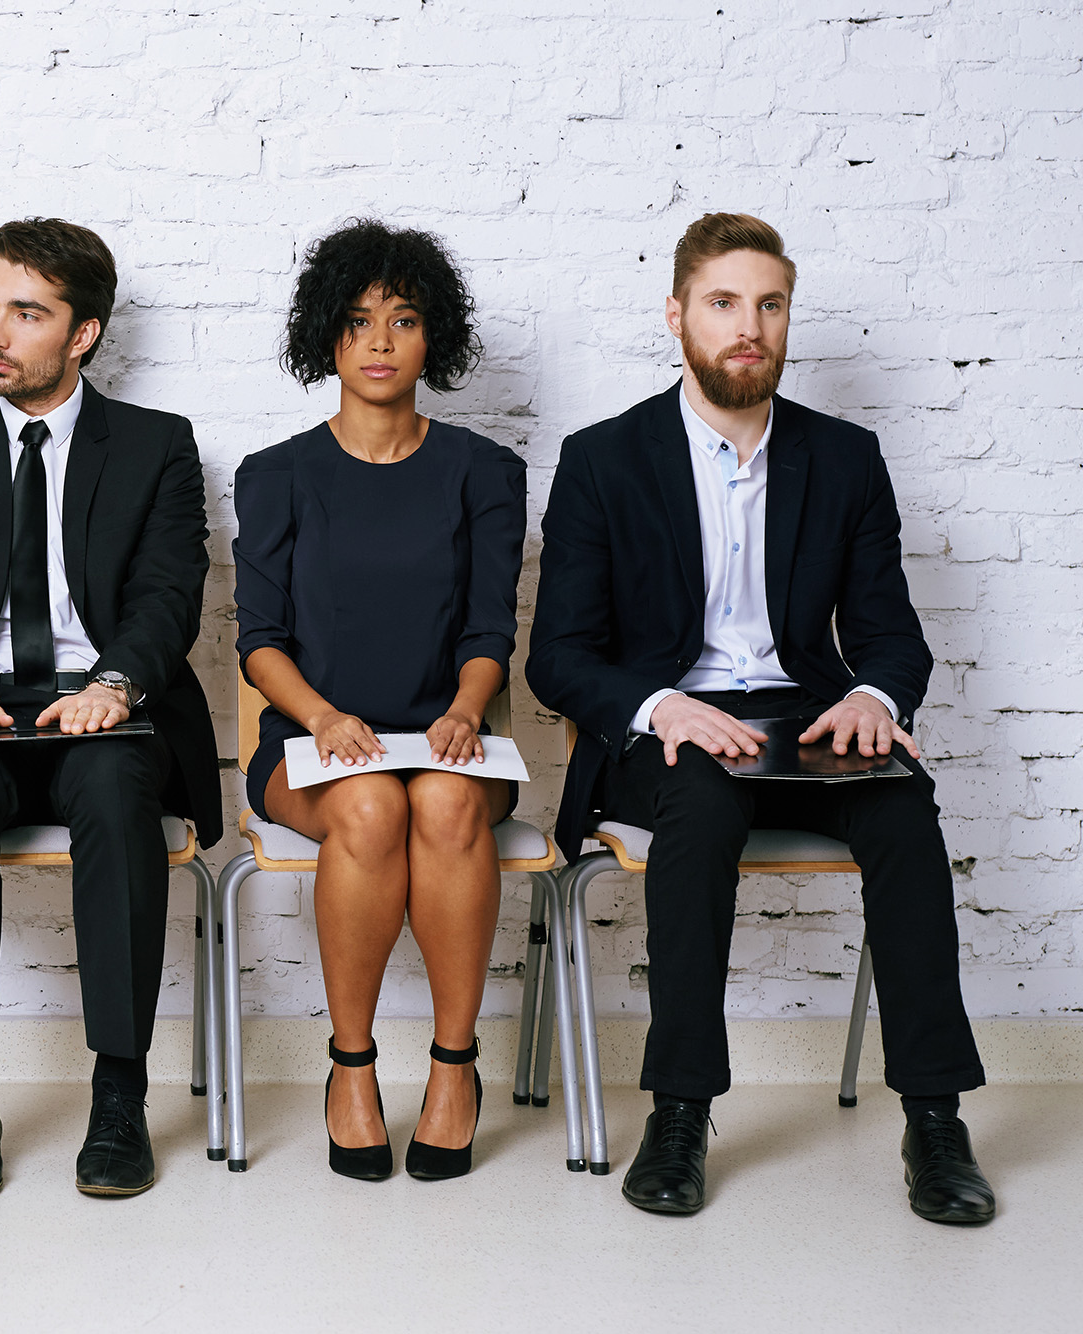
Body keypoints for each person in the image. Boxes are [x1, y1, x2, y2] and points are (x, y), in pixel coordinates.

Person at [526, 212, 993, 1224]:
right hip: (666, 728)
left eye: (768, 304)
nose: (749, 326)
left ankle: (933, 1118)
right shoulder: (603, 459)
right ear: (677, 315)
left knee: (904, 808)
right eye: (724, 303)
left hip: (805, 718)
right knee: (699, 806)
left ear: (787, 316)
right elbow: (557, 655)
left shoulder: (842, 458)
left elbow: (888, 632)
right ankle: (679, 1111)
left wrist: (873, 697)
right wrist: (662, 709)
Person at [0, 218, 220, 1199]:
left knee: (116, 795)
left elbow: (167, 594)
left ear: (81, 333)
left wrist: (112, 686)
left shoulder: (155, 445)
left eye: (26, 312)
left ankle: (118, 1095)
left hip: (101, 702)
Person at [234, 220, 525, 1182]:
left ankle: (454, 1068)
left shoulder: (485, 472)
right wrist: (320, 718)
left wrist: (465, 711)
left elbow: (490, 634)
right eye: (359, 323)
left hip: (448, 738)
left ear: (431, 336)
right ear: (329, 337)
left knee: (436, 798)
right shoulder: (276, 475)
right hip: (313, 744)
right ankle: (350, 1068)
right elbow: (260, 643)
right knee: (369, 804)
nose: (381, 342)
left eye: (402, 321)